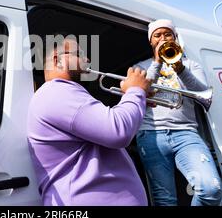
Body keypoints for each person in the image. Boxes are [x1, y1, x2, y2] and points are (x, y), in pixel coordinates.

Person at [27, 35, 151, 206]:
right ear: (58, 60)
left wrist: (137, 99)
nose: (87, 59)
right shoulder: (57, 92)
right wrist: (136, 91)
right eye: (79, 54)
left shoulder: (60, 94)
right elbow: (118, 131)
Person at [134, 19, 222, 206]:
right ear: (151, 41)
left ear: (175, 38)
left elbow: (202, 93)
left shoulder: (191, 65)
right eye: (157, 35)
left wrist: (180, 68)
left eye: (168, 34)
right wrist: (157, 62)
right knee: (164, 200)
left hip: (187, 133)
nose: (163, 38)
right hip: (151, 134)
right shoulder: (140, 68)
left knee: (211, 189)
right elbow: (140, 92)